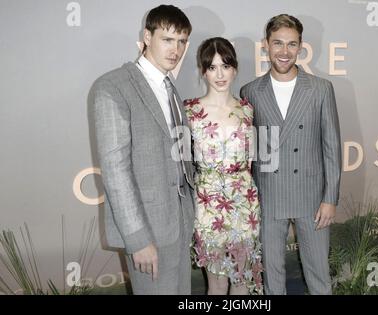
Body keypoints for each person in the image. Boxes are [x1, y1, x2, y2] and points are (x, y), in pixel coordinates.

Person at [92, 5, 195, 295]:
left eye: (182, 41)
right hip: (147, 231)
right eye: (167, 39)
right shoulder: (113, 86)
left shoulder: (169, 86)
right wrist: (137, 240)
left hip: (179, 223)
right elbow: (115, 171)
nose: (175, 49)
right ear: (147, 37)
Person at [240, 14, 342, 295]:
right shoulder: (250, 92)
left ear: (300, 47)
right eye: (278, 44)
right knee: (272, 277)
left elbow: (332, 147)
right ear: (266, 45)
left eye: (291, 44)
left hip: (312, 197)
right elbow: (250, 152)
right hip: (269, 196)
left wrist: (330, 198)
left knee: (319, 274)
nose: (284, 52)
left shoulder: (321, 89)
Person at [185, 37, 263, 295]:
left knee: (241, 279)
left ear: (235, 69)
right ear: (203, 71)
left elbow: (254, 158)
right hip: (207, 204)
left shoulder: (247, 110)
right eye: (212, 67)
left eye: (225, 66)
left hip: (244, 199)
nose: (220, 74)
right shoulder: (189, 111)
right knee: (216, 284)